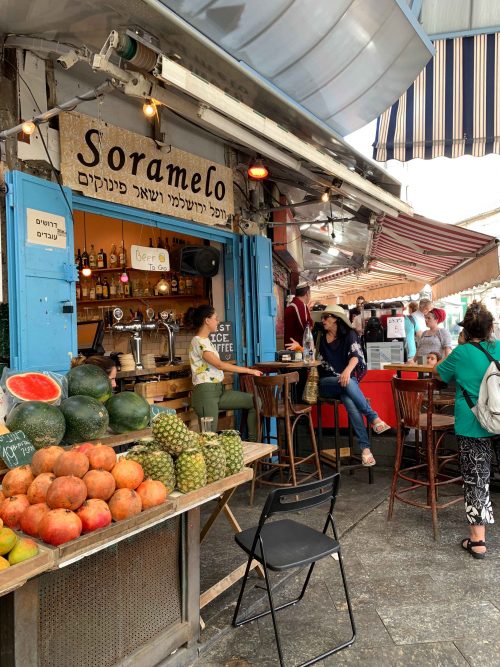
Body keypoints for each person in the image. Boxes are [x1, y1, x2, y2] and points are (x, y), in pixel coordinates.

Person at [435, 302, 500, 559]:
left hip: (472, 425)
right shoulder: (498, 347)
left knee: (477, 480)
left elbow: (438, 374)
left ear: (465, 329)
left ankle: (478, 541)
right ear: (490, 328)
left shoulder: (460, 353)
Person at [316, 305, 390, 467]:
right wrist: (300, 348)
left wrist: (347, 372)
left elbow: (356, 357)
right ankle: (373, 417)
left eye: (326, 317)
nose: (323, 320)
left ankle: (365, 450)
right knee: (348, 384)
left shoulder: (349, 335)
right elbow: (310, 355)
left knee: (350, 401)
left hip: (345, 382)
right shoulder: (319, 336)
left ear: (335, 318)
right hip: (327, 383)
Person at [185, 305, 262, 440]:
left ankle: (254, 444)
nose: (218, 322)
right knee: (210, 439)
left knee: (255, 401)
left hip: (218, 391)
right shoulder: (197, 341)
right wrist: (249, 371)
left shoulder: (206, 341)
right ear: (207, 320)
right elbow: (219, 365)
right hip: (205, 393)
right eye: (216, 318)